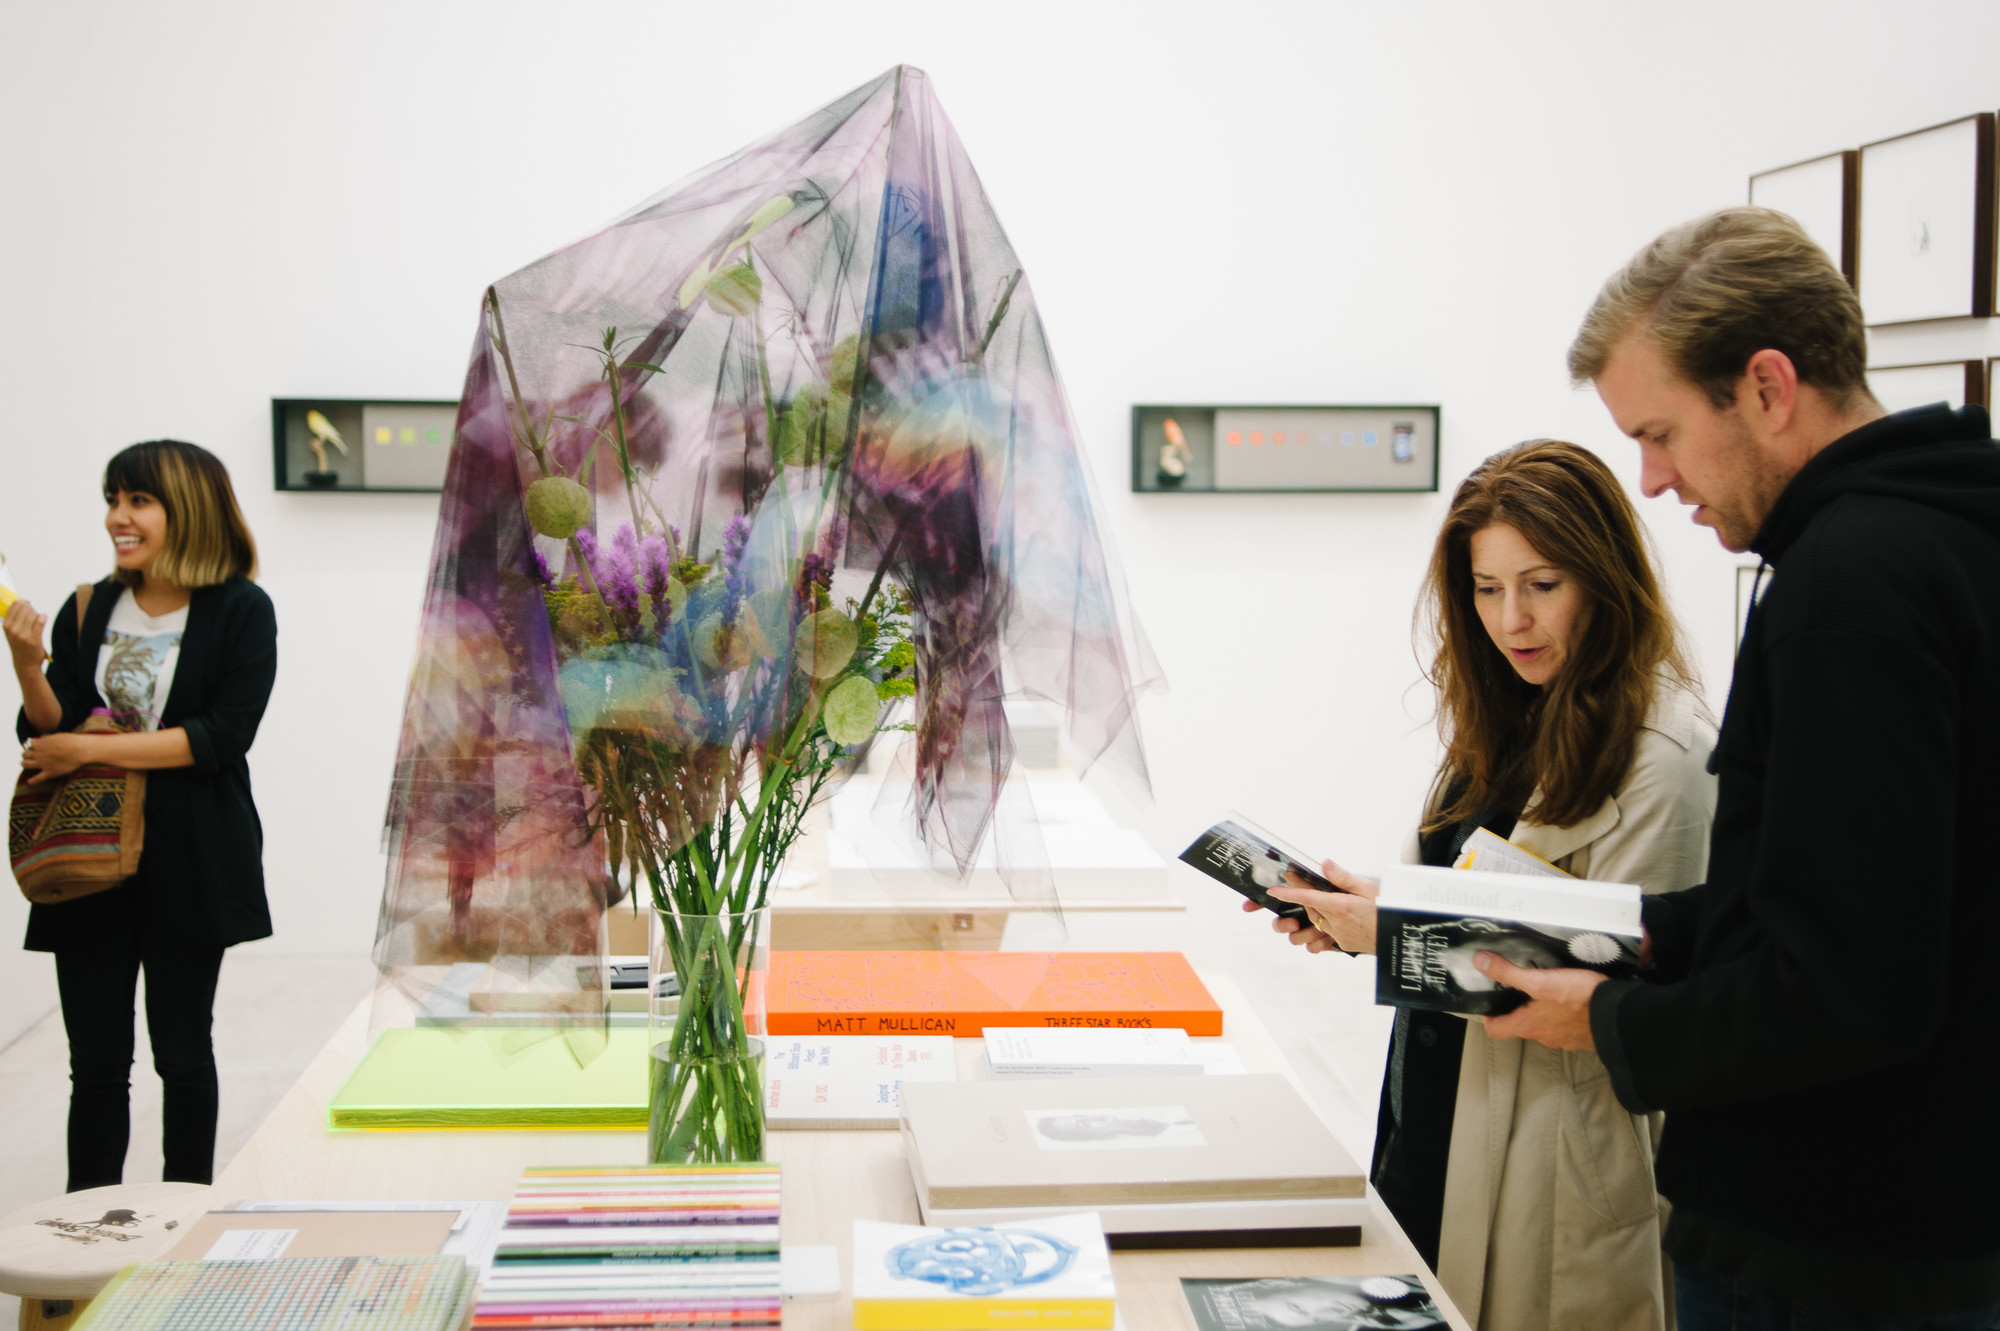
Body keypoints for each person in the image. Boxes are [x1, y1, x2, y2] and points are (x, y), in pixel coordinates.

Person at [1479, 206, 2000, 1328]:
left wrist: (1608, 1022)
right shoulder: (1952, 530)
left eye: (1661, 431)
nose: (1653, 480)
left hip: (1830, 1248)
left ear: (1764, 387)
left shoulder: (1847, 585)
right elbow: (1845, 894)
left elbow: (1846, 985)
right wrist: (1648, 936)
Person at [1253, 440, 1717, 1330]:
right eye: (1487, 588)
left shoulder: (1667, 756)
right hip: (1439, 1106)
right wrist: (1373, 907)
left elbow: (1617, 989)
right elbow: (1494, 895)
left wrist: (1386, 934)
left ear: (1605, 576)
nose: (1513, 620)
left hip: (1552, 1150)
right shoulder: (1510, 715)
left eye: (1542, 584)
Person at [5, 440, 277, 1192]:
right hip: (86, 851)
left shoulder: (240, 609)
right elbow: (45, 730)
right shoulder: (90, 605)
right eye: (112, 499)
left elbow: (222, 736)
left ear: (185, 507)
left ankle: (181, 1221)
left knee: (183, 1055)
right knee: (94, 1066)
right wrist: (28, 664)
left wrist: (89, 754)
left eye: (137, 500)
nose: (116, 517)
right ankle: (84, 1238)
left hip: (191, 853)